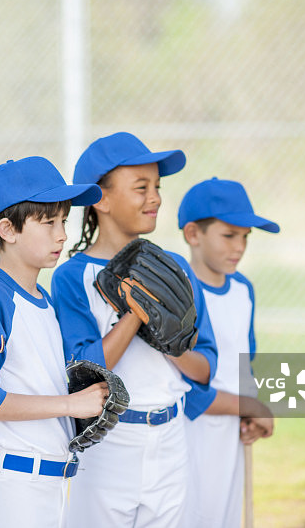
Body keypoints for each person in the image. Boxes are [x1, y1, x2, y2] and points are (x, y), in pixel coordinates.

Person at [50, 132, 218, 528]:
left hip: (172, 441)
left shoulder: (173, 268)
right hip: (109, 444)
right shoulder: (73, 277)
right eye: (140, 188)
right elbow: (84, 370)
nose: (155, 197)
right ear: (101, 200)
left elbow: (207, 366)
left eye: (156, 187)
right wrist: (137, 313)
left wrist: (169, 337)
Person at [0, 156, 106, 528]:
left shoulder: (42, 298)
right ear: (8, 230)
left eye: (64, 221)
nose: (61, 234)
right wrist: (70, 404)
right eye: (48, 223)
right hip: (13, 487)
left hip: (49, 483)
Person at [177, 177, 278, 527]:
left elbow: (243, 362)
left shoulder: (242, 289)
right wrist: (250, 406)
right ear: (193, 234)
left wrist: (250, 410)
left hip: (231, 431)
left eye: (246, 238)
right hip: (189, 434)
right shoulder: (178, 294)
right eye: (229, 235)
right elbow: (182, 385)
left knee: (225, 516)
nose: (239, 247)